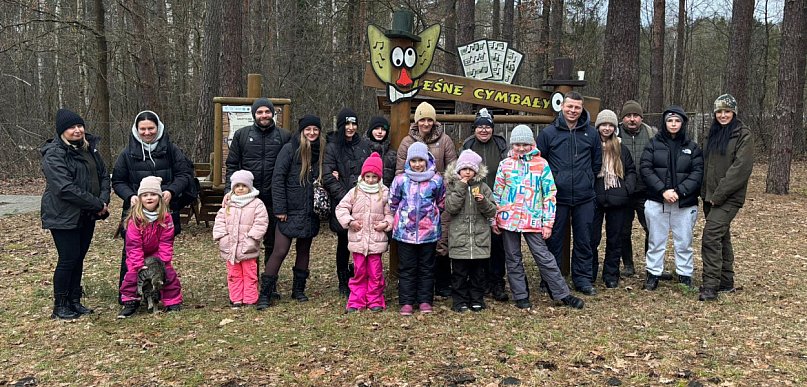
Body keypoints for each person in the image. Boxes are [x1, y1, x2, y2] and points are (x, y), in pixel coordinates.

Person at [492, 125, 585, 310]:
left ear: (531, 144)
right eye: (517, 144)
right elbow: (497, 193)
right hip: (508, 218)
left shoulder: (541, 164)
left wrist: (548, 223)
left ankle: (562, 293)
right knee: (513, 257)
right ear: (512, 145)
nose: (521, 148)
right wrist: (494, 218)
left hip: (533, 219)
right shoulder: (505, 164)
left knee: (544, 257)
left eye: (525, 144)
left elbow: (550, 194)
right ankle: (520, 294)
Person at [112, 110, 194, 303]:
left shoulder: (172, 151)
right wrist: (130, 195)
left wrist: (171, 191)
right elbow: (118, 181)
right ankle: (129, 297)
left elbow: (185, 174)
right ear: (136, 129)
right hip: (136, 212)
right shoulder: (127, 154)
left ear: (158, 128)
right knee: (132, 255)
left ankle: (162, 294)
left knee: (162, 255)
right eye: (143, 129)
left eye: (151, 128)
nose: (147, 132)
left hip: (163, 211)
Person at [41, 108, 110, 320]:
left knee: (78, 257)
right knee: (68, 258)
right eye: (72, 127)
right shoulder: (54, 153)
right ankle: (60, 305)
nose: (77, 130)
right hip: (62, 215)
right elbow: (64, 188)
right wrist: (96, 203)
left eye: (79, 126)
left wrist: (104, 199)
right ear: (62, 131)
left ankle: (74, 300)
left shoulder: (90, 149)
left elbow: (103, 175)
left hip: (86, 214)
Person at [255, 115, 325, 310]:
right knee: (280, 250)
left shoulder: (321, 151)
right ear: (301, 130)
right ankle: (265, 293)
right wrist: (280, 208)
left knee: (304, 250)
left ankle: (298, 290)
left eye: (315, 129)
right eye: (308, 129)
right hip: (289, 210)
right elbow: (277, 179)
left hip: (310, 209)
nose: (312, 133)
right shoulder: (289, 149)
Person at [536, 91, 602, 295]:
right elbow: (540, 162)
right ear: (562, 107)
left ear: (582, 109)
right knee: (553, 239)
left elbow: (596, 162)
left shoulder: (591, 133)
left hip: (584, 197)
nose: (573, 111)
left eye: (577, 107)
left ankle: (582, 279)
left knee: (584, 239)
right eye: (569, 107)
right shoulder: (549, 133)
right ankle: (550, 280)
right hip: (556, 197)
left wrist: (586, 179)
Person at [395, 102, 457, 297]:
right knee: (412, 248)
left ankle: (442, 283)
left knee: (440, 240)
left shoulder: (444, 140)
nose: (426, 123)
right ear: (417, 121)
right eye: (422, 119)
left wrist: (438, 185)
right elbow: (399, 170)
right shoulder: (407, 142)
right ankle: (410, 288)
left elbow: (452, 169)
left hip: (435, 196)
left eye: (429, 119)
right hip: (412, 200)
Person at [225, 98, 292, 277]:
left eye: (267, 112)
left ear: (273, 114)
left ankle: (270, 280)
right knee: (248, 241)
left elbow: (291, 167)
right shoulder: (242, 135)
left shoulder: (284, 136)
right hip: (247, 199)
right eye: (260, 112)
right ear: (254, 114)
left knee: (272, 242)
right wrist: (228, 191)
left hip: (273, 197)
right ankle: (250, 280)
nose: (264, 115)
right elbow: (232, 165)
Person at [640, 106, 703, 291]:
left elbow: (697, 172)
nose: (673, 124)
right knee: (656, 240)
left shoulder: (692, 147)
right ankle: (653, 274)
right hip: (657, 200)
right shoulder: (653, 144)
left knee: (684, 241)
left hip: (684, 202)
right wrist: (662, 190)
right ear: (664, 123)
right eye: (670, 120)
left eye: (677, 121)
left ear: (682, 123)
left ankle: (684, 275)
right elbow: (646, 168)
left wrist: (680, 191)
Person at [699, 94, 754, 301]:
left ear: (734, 112)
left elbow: (741, 168)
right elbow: (704, 162)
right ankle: (726, 281)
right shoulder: (711, 133)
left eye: (727, 111)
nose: (723, 115)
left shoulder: (743, 135)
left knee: (711, 236)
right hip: (709, 195)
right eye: (719, 111)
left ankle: (710, 286)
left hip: (728, 197)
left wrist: (720, 193)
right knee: (722, 236)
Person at [390, 142, 445, 316]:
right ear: (408, 162)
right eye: (413, 160)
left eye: (421, 160)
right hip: (405, 233)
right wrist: (401, 217)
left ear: (427, 160)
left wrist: (431, 216)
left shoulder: (436, 180)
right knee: (407, 267)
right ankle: (406, 301)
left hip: (428, 233)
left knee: (426, 267)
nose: (417, 164)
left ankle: (425, 300)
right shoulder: (401, 180)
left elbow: (441, 202)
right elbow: (393, 201)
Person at [335, 153, 394, 312]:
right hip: (358, 240)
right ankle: (356, 300)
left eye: (374, 176)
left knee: (375, 273)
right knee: (359, 271)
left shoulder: (385, 193)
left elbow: (391, 213)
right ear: (363, 175)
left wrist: (386, 224)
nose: (370, 180)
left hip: (376, 240)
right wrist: (350, 221)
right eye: (367, 176)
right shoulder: (355, 192)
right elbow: (341, 208)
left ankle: (374, 299)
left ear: (379, 177)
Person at [460, 108, 509, 302]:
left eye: (487, 127)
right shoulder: (468, 145)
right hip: (475, 200)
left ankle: (497, 281)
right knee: (478, 241)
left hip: (498, 200)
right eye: (480, 126)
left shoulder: (500, 144)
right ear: (474, 128)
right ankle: (479, 282)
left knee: (498, 244)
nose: (483, 130)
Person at [118, 176, 183, 318]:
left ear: (159, 197)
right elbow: (133, 244)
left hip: (157, 254)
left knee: (169, 275)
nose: (149, 198)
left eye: (153, 194)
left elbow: (166, 240)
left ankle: (172, 301)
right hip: (138, 255)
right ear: (139, 198)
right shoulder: (135, 219)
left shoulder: (165, 217)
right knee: (131, 276)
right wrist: (138, 263)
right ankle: (130, 301)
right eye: (145, 195)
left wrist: (163, 260)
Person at [323, 108, 372, 297]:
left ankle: (362, 276)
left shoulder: (364, 146)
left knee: (364, 242)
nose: (350, 128)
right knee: (343, 242)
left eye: (354, 124)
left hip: (365, 201)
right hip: (343, 202)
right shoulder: (332, 147)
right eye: (347, 124)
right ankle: (343, 281)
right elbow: (328, 176)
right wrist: (347, 197)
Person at [445, 150, 497, 313]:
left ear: (476, 171)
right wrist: (461, 186)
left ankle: (477, 299)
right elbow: (451, 208)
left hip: (479, 239)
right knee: (459, 273)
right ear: (458, 170)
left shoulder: (483, 187)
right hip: (459, 239)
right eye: (464, 168)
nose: (467, 172)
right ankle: (459, 301)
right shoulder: (453, 186)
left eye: (471, 169)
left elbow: (492, 211)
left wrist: (483, 202)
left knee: (478, 273)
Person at [590, 110, 637, 289]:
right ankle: (590, 272)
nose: (607, 128)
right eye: (604, 125)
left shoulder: (621, 148)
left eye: (610, 125)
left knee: (615, 239)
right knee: (592, 239)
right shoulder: (592, 146)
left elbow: (631, 170)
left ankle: (611, 274)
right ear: (598, 126)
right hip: (595, 197)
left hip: (618, 198)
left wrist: (628, 188)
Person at [213, 170, 270, 308]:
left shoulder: (257, 204)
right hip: (231, 248)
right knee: (233, 274)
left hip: (248, 247)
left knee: (250, 274)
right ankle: (236, 298)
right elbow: (220, 221)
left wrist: (252, 238)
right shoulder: (228, 203)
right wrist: (223, 238)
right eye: (237, 186)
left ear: (249, 187)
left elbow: (261, 222)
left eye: (243, 186)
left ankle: (250, 298)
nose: (240, 188)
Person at [617, 100, 657, 277]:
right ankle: (628, 264)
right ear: (623, 118)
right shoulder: (614, 133)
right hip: (623, 190)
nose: (632, 119)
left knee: (651, 229)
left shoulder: (651, 134)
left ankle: (652, 264)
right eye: (628, 116)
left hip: (645, 191)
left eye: (635, 116)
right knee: (623, 230)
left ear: (641, 117)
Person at [365, 116, 397, 188]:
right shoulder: (363, 150)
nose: (380, 132)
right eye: (376, 128)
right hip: (365, 193)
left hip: (386, 194)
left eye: (383, 129)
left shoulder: (392, 154)